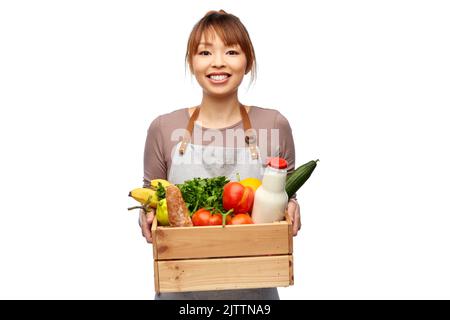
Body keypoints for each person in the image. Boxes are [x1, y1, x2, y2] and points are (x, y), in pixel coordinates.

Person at [139, 9, 301, 300]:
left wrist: (293, 207)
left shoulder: (274, 125)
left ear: (248, 61)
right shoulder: (164, 128)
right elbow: (151, 196)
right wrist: (146, 215)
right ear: (191, 62)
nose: (217, 63)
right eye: (204, 52)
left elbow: (286, 196)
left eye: (231, 51)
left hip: (255, 296)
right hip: (181, 293)